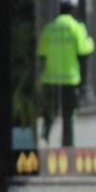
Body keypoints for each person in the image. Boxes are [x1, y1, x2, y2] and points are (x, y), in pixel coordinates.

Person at [39, 0, 94, 147]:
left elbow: (42, 53)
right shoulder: (76, 28)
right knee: (68, 116)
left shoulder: (49, 28)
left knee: (50, 113)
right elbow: (84, 50)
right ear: (74, 9)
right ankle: (67, 145)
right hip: (70, 79)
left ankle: (45, 136)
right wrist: (90, 41)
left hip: (50, 79)